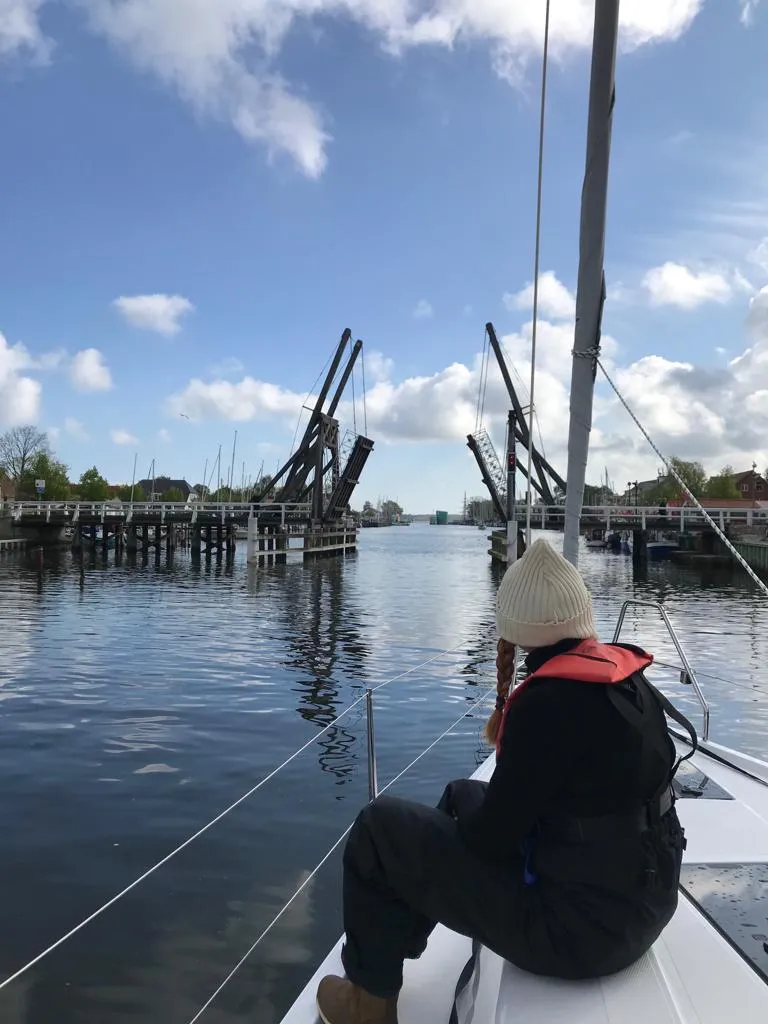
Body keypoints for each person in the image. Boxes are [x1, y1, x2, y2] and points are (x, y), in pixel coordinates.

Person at [316, 539, 690, 1024]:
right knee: (462, 792)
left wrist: (471, 825)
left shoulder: (546, 703)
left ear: (515, 627)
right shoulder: (628, 681)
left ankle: (367, 1003)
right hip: (641, 912)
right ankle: (394, 943)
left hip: (576, 937)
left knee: (378, 828)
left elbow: (491, 842)